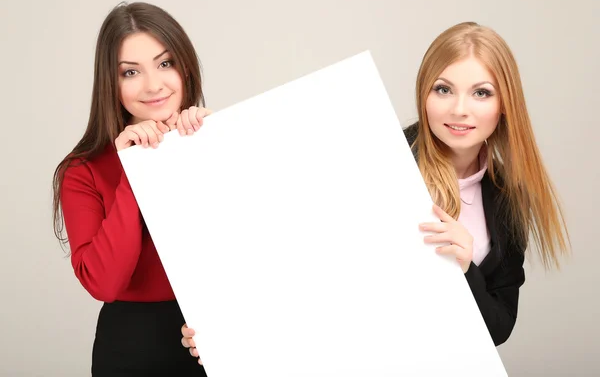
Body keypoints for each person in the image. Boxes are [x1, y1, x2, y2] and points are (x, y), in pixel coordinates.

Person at [179, 21, 570, 360]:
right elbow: (291, 255)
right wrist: (228, 332)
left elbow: (499, 328)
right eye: (443, 89)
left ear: (505, 104)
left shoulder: (508, 199)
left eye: (481, 92)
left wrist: (466, 269)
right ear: (424, 93)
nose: (459, 109)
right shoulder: (378, 158)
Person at [52, 1, 211, 376]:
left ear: (185, 66)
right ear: (111, 81)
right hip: (132, 351)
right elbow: (105, 283)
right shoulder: (83, 170)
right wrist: (134, 169)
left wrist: (212, 147)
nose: (153, 84)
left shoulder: (213, 139)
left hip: (216, 339)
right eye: (131, 72)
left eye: (165, 63)